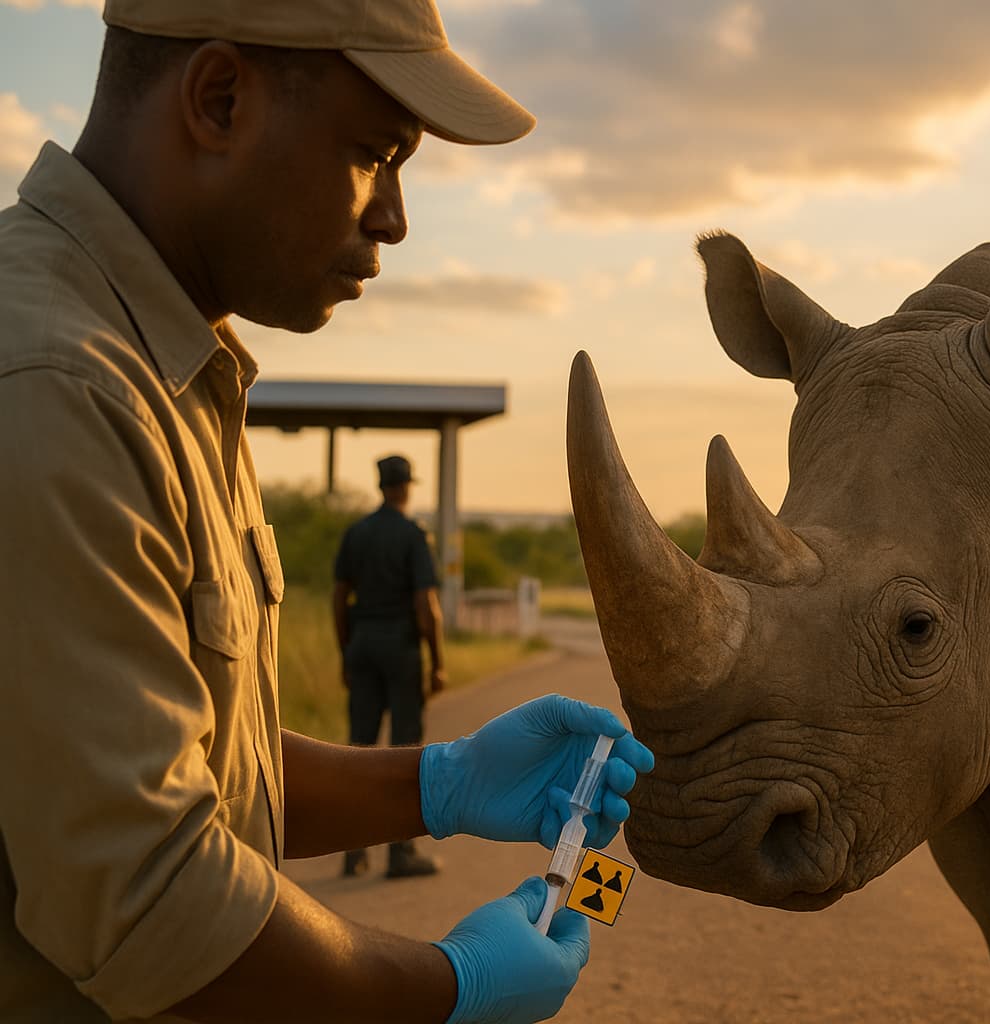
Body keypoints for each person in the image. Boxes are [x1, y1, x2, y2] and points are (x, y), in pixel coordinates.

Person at [0, 1, 655, 1022]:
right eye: (374, 154)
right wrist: (450, 988)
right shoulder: (56, 384)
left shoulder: (164, 371)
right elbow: (151, 901)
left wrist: (438, 781)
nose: (393, 216)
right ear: (218, 101)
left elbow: (192, 768)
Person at [334, 453, 448, 879]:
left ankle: (351, 850)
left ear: (382, 485)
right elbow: (426, 606)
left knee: (357, 751)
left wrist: (347, 651)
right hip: (400, 649)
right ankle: (400, 854)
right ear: (405, 487)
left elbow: (338, 597)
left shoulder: (356, 533)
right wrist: (437, 662)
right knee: (404, 755)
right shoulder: (413, 535)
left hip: (362, 644)